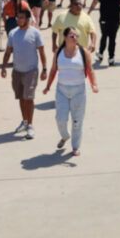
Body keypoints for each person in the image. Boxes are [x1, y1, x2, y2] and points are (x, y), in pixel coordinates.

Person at [42, 26, 98, 157]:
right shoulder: (59, 52)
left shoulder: (83, 52)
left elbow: (90, 70)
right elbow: (53, 69)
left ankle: (75, 146)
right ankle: (65, 136)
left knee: (77, 121)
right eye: (72, 36)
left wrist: (94, 85)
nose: (75, 38)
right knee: (60, 119)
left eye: (77, 36)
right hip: (62, 90)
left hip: (79, 91)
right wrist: (48, 86)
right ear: (65, 38)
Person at [1, 8, 48, 140]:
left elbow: (42, 52)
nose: (18, 20)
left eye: (21, 17)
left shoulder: (35, 33)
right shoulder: (13, 33)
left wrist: (44, 69)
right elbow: (8, 51)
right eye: (17, 17)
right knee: (21, 97)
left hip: (31, 71)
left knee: (29, 98)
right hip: (17, 71)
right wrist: (4, 67)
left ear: (28, 19)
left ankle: (31, 125)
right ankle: (25, 121)